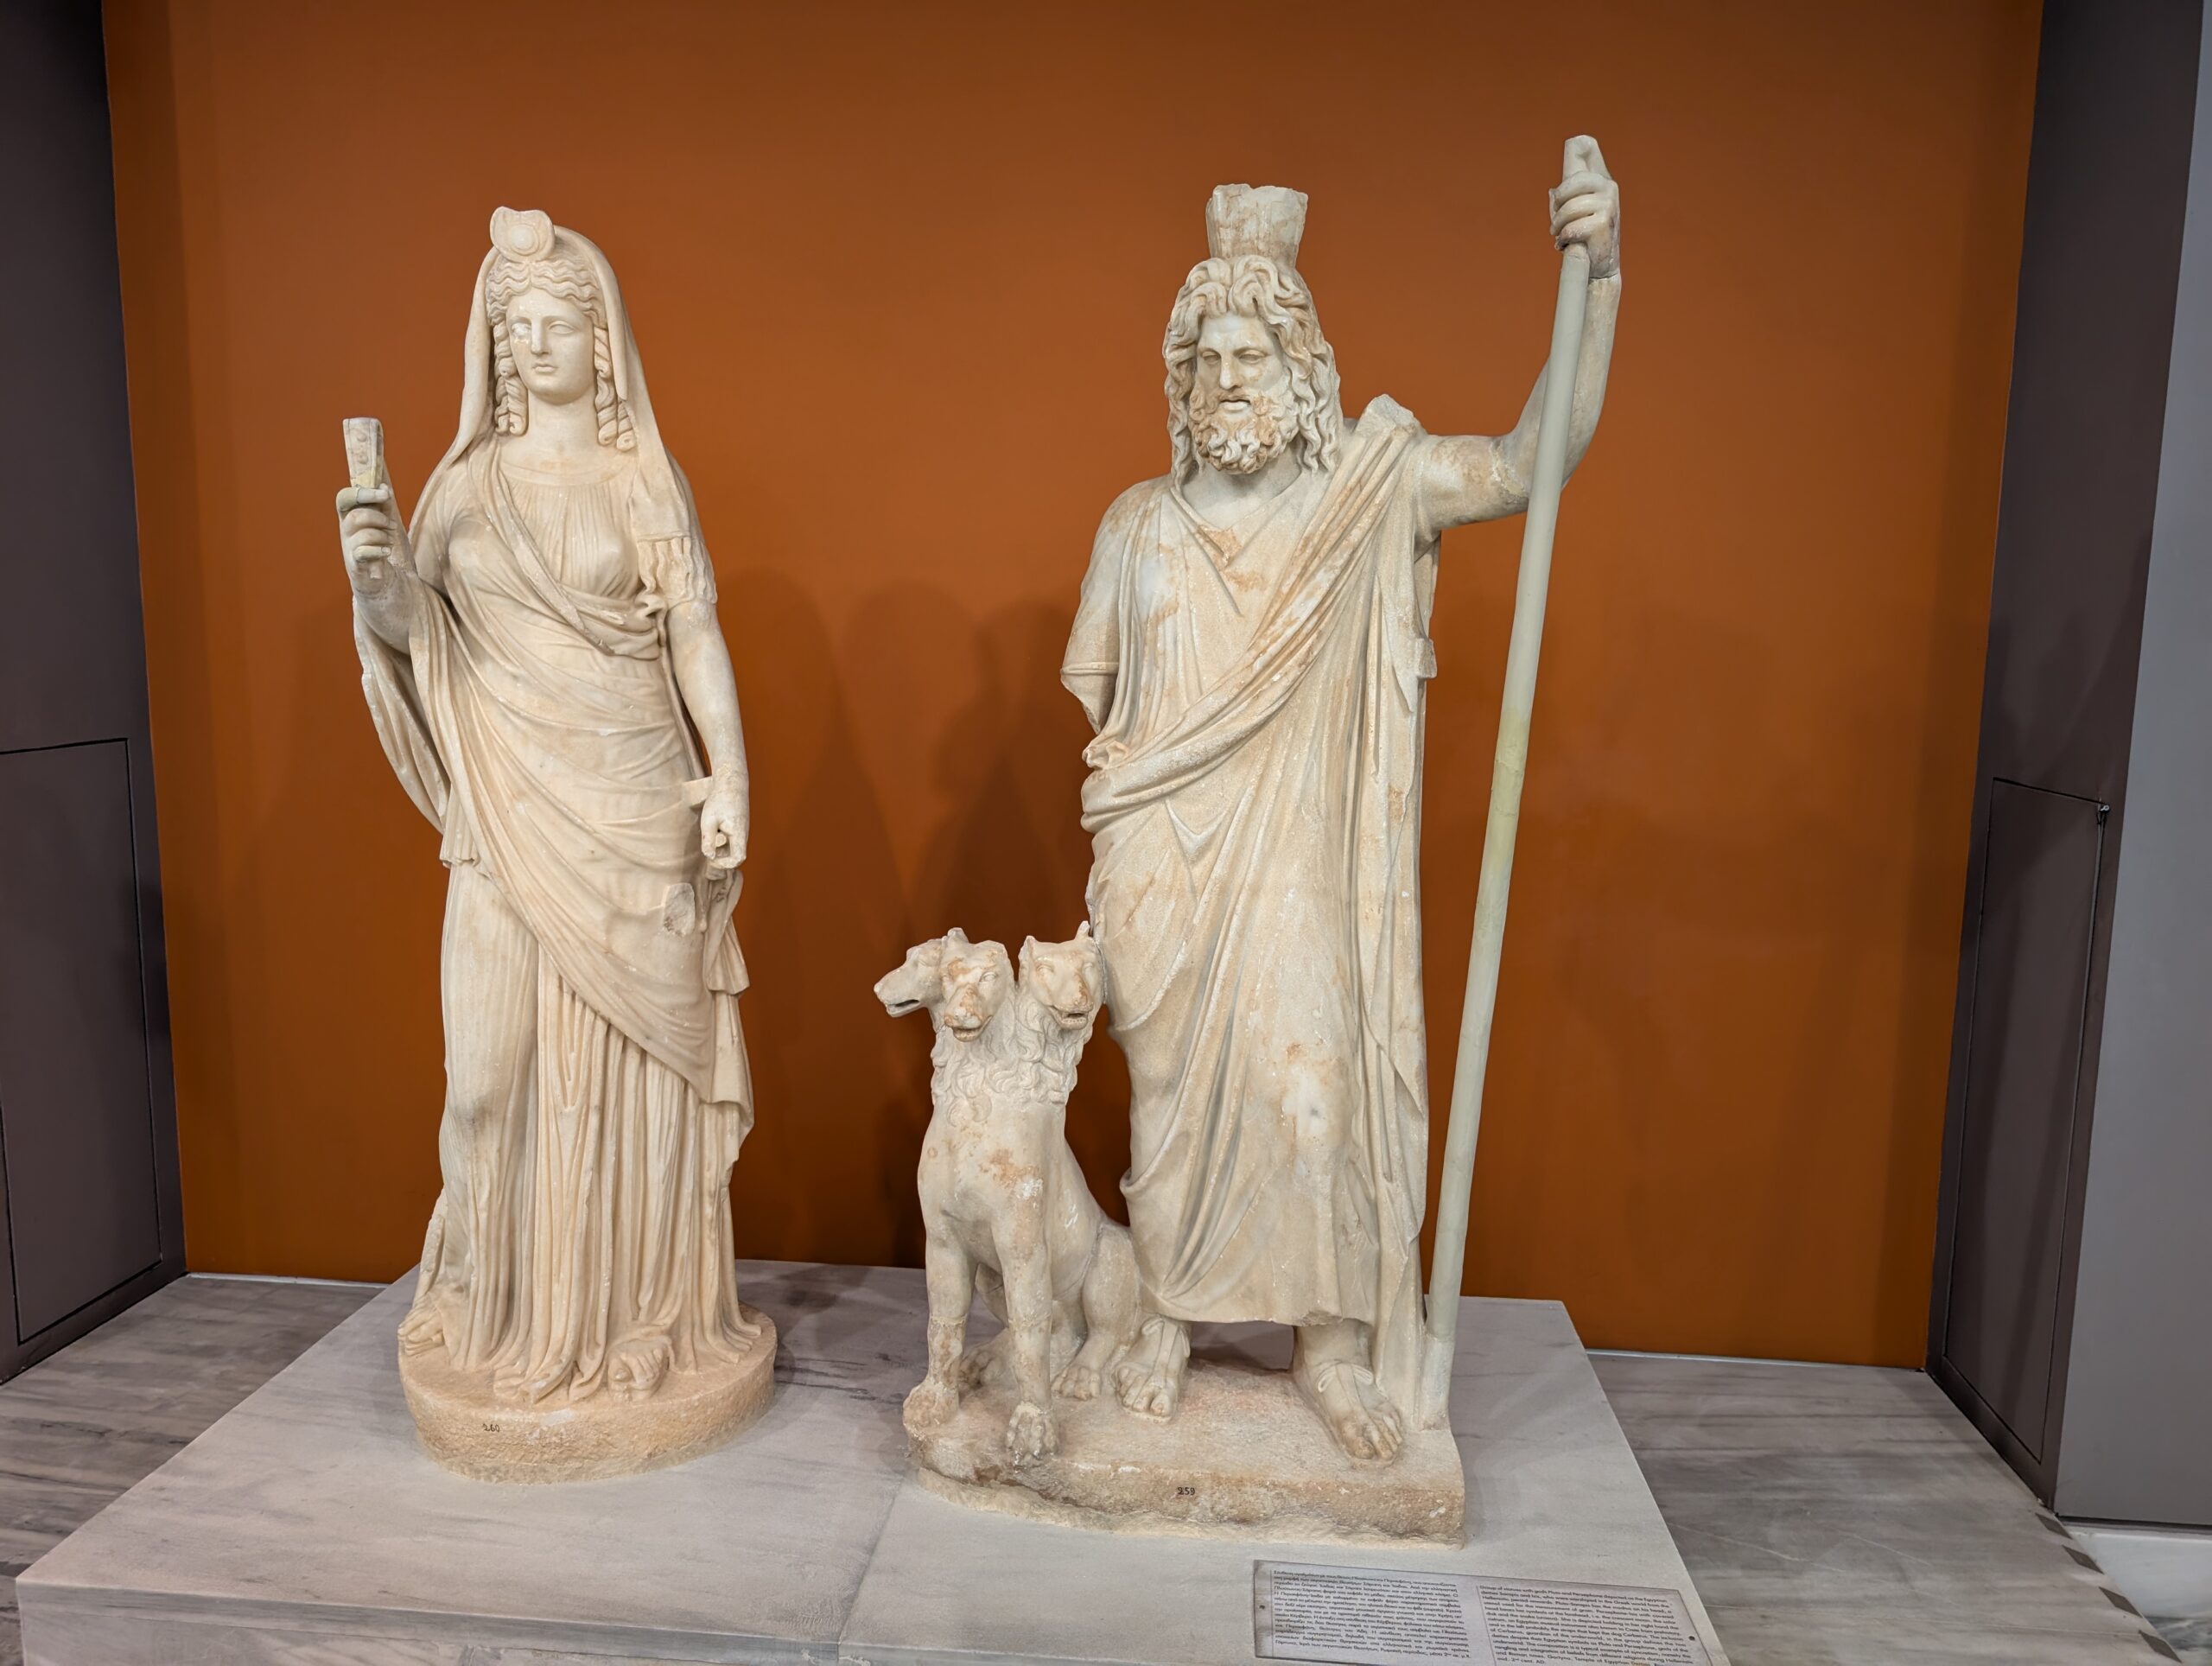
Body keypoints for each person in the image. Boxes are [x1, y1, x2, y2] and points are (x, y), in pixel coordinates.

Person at [1062, 144, 1622, 1459]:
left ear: (1300, 364)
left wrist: (1597, 280)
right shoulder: (1135, 525)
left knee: (1314, 1099)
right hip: (1164, 864)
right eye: (1206, 357)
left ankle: (1327, 1344)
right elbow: (1107, 713)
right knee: (1166, 1107)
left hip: (1306, 863)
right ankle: (1167, 1318)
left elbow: (1531, 461)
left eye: (1251, 353)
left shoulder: (1371, 496)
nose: (1227, 377)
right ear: (1182, 378)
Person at [335, 208, 757, 1405]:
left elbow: (694, 633)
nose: (530, 342)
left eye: (554, 322)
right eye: (509, 324)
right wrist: (376, 582)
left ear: (600, 339)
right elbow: (422, 635)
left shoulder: (643, 480)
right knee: (485, 1082)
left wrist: (728, 776)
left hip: (632, 799)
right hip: (506, 806)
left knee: (635, 1081)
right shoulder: (463, 490)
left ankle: (641, 1317)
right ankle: (488, 1294)